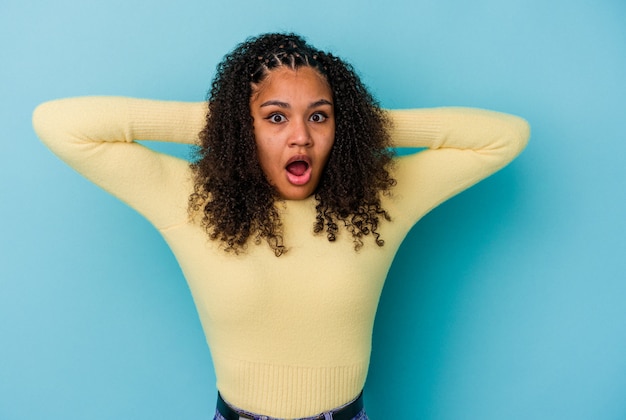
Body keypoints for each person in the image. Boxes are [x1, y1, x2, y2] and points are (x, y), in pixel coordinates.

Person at [33, 32, 530, 420]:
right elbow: (59, 123)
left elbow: (504, 137)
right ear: (242, 126)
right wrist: (227, 118)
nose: (300, 137)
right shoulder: (192, 200)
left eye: (319, 117)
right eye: (275, 118)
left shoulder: (379, 199)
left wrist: (359, 121)